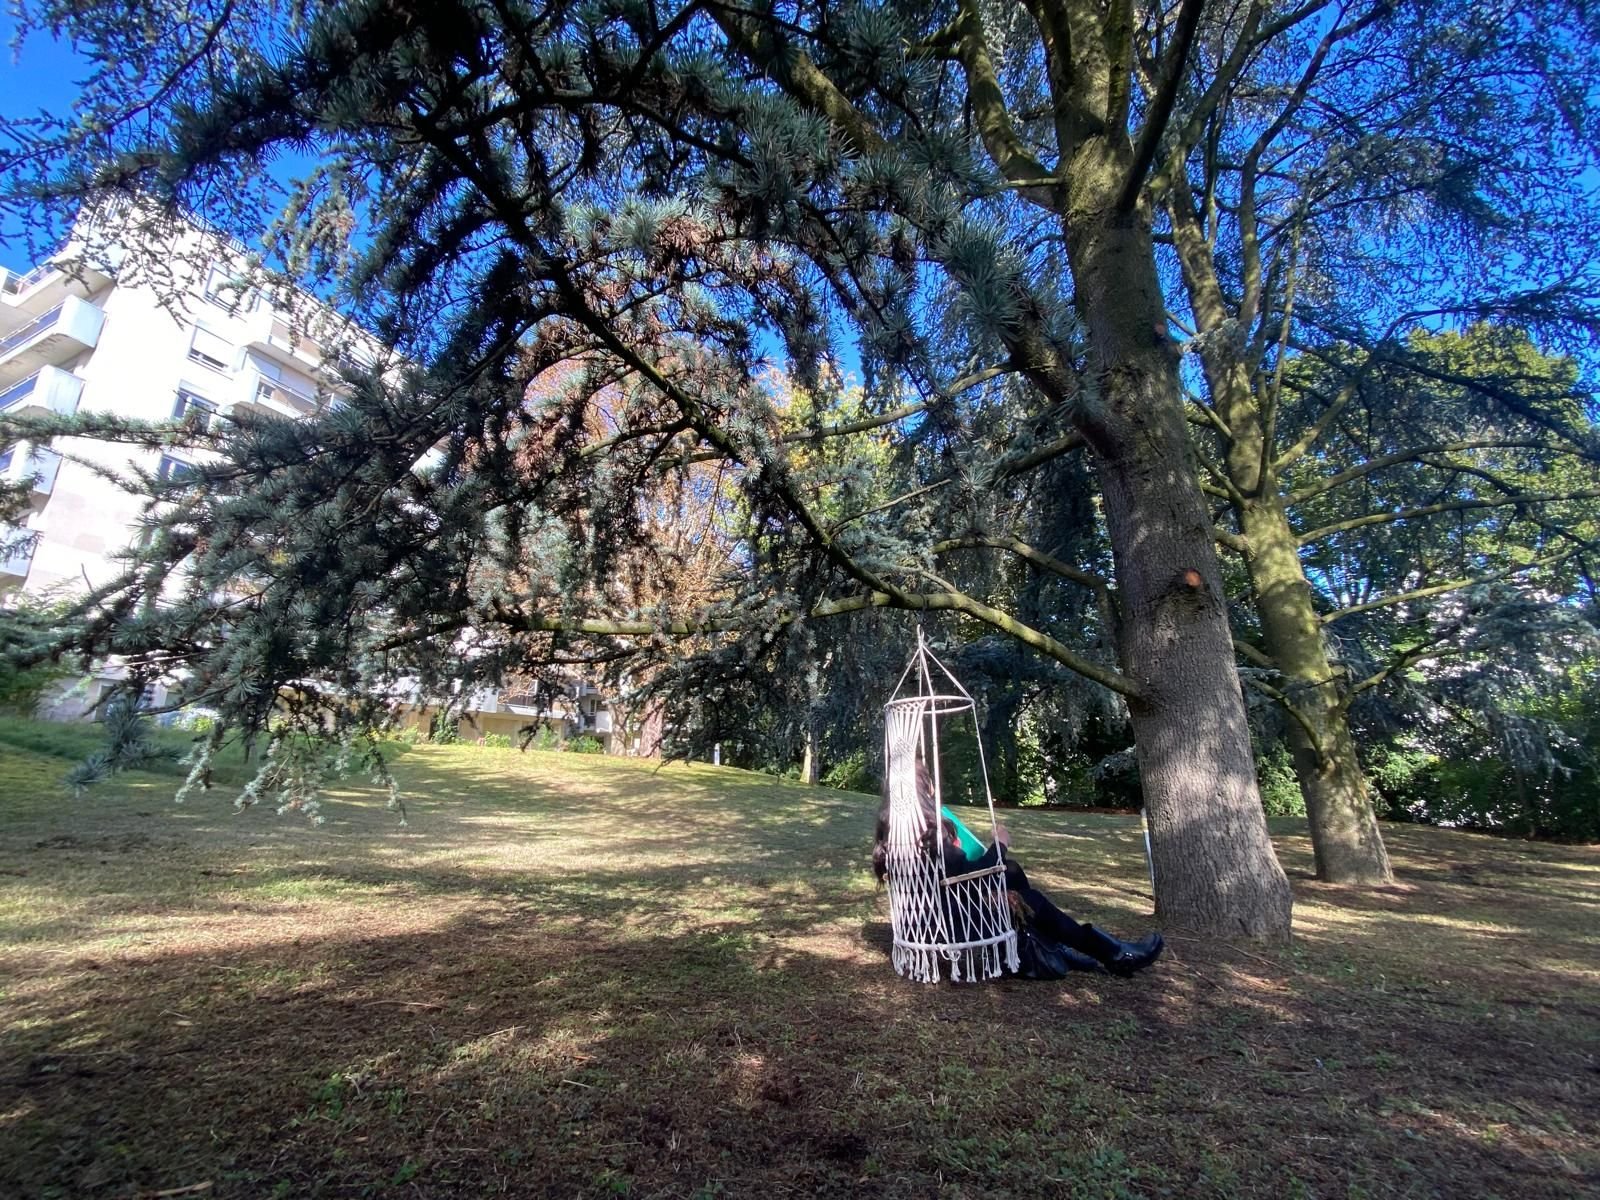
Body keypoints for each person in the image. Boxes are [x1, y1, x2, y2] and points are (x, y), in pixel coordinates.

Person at [872, 763, 1163, 978]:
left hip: (930, 912)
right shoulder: (926, 832)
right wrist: (999, 844)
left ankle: (1058, 947)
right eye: (930, 784)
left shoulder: (894, 830)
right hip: (947, 922)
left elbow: (949, 877)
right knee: (1028, 898)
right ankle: (1112, 953)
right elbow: (971, 875)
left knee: (1011, 872)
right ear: (924, 790)